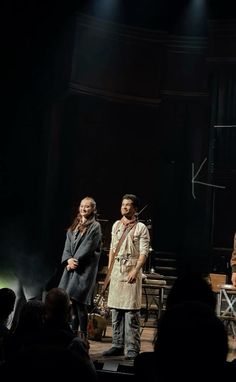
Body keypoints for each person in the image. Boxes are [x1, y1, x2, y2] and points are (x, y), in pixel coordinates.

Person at [103, 194, 150, 360]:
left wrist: (135, 270)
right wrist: (109, 271)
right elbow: (112, 248)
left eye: (129, 205)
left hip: (131, 270)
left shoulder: (140, 228)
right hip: (117, 271)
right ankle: (117, 344)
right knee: (115, 311)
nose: (125, 207)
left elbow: (144, 252)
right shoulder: (116, 225)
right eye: (123, 204)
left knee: (131, 313)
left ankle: (131, 348)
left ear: (135, 208)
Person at [58, 196, 102, 339]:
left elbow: (88, 247)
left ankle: (83, 337)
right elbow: (67, 245)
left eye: (87, 206)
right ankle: (73, 335)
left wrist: (74, 261)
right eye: (82, 205)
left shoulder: (95, 226)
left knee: (80, 304)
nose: (83, 208)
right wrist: (68, 259)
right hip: (72, 268)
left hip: (84, 270)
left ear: (93, 209)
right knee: (72, 305)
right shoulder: (75, 224)